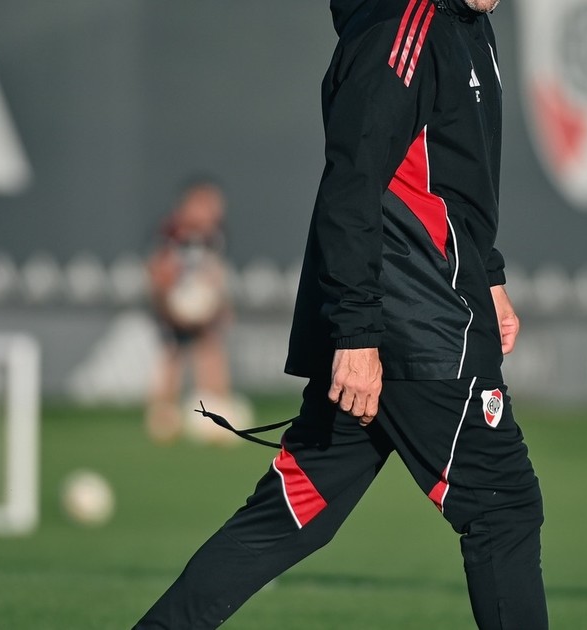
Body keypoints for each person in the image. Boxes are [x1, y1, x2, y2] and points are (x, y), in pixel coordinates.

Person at [133, 1, 547, 628]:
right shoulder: (399, 30)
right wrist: (356, 334)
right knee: (502, 508)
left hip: (413, 313)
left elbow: (456, 177)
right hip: (418, 323)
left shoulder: (468, 21)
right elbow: (351, 185)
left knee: (291, 513)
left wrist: (487, 275)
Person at [144, 178, 238, 444]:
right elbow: (159, 271)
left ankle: (215, 409)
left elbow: (215, 272)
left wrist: (218, 303)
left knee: (211, 353)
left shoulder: (214, 236)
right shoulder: (171, 233)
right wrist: (169, 304)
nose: (216, 211)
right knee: (172, 357)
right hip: (174, 306)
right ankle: (162, 417)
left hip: (203, 308)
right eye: (208, 205)